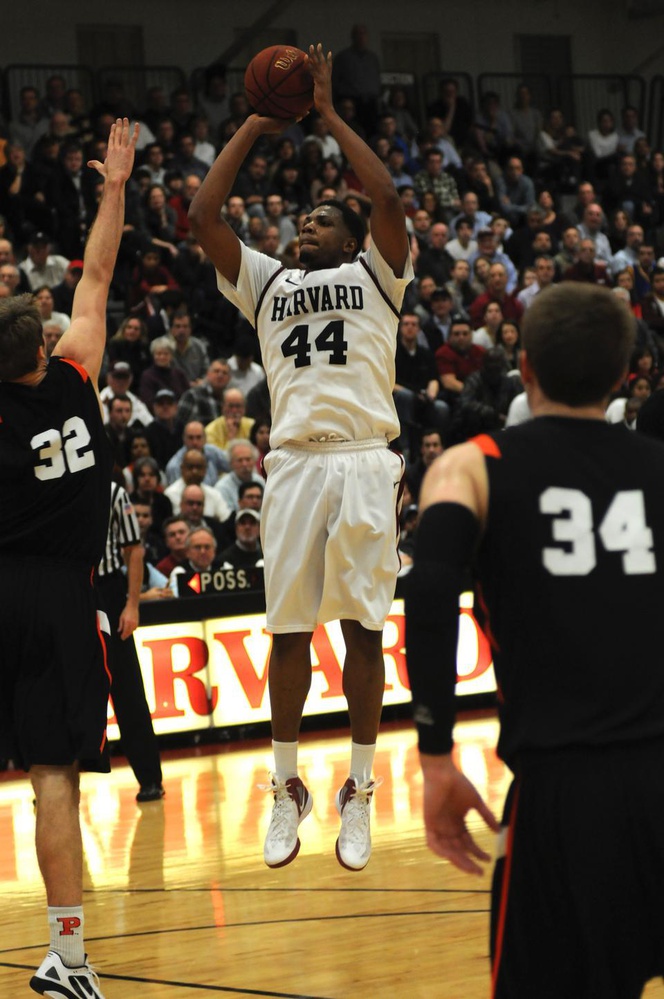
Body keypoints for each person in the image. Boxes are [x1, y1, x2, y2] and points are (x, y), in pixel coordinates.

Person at [404, 281, 664, 998]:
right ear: (623, 374)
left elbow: (428, 593)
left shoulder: (473, 463)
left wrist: (435, 756)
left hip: (564, 796)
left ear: (526, 370)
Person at [189, 43, 412, 873]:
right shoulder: (268, 281)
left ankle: (359, 789)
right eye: (303, 219)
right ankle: (287, 788)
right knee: (287, 631)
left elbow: (385, 193)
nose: (305, 223)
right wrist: (259, 115)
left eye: (323, 217)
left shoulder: (378, 273)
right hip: (292, 465)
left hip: (363, 461)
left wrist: (326, 115)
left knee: (361, 631)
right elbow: (205, 217)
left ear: (354, 237)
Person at [0, 118, 137, 999]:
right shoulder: (78, 371)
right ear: (43, 345)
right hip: (59, 597)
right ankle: (70, 958)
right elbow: (96, 273)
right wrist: (114, 185)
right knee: (55, 779)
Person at [96, 481, 164, 802]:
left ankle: (150, 778)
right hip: (68, 590)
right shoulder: (54, 488)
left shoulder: (112, 492)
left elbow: (133, 549)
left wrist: (132, 604)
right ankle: (57, 780)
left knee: (127, 692)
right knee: (65, 692)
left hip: (108, 591)